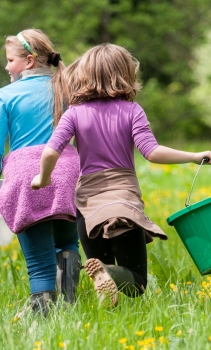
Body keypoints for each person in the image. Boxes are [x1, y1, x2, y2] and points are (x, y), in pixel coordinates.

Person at [31, 43, 211, 307]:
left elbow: (49, 153)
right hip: (123, 201)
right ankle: (110, 275)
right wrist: (195, 156)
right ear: (125, 74)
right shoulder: (132, 110)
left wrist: (43, 178)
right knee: (136, 283)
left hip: (88, 204)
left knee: (99, 265)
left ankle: (103, 273)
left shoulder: (74, 113)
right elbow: (152, 152)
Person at [0, 29, 81, 315]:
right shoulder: (66, 88)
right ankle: (70, 308)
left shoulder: (6, 95)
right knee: (67, 242)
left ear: (28, 61)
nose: (6, 66)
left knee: (39, 263)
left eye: (10, 60)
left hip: (27, 177)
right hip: (67, 171)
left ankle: (44, 319)